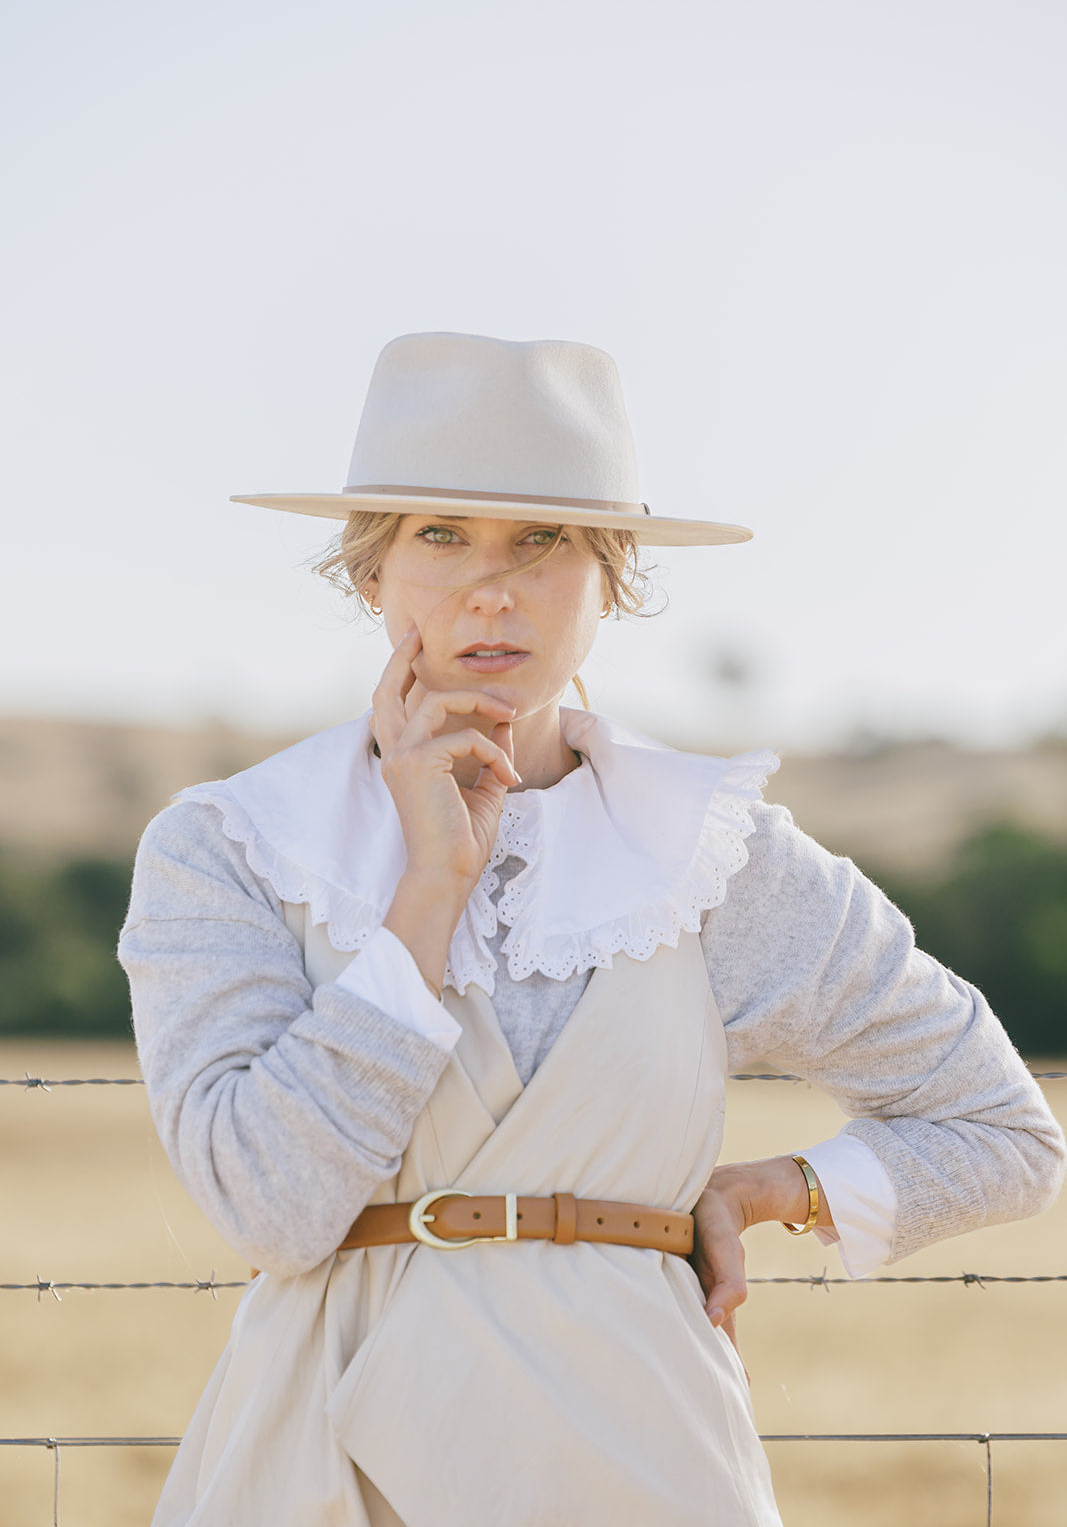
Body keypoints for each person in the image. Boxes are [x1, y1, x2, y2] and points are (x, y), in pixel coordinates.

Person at [120, 332, 1064, 1527]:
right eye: (439, 536)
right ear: (370, 571)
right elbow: (267, 1208)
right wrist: (426, 890)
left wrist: (777, 1188)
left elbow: (1002, 1130)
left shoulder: (713, 855)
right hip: (326, 1457)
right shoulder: (234, 844)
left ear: (613, 576)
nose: (491, 589)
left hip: (641, 1457)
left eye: (544, 542)